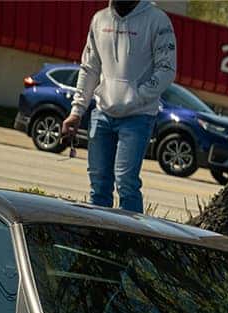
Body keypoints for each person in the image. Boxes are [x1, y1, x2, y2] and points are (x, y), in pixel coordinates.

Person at [61, 0, 177, 214]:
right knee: (99, 183)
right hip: (102, 113)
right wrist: (76, 111)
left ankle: (131, 242)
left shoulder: (157, 20)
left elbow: (167, 69)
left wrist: (138, 95)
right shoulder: (99, 20)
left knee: (126, 183)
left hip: (138, 117)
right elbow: (89, 69)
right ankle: (98, 238)